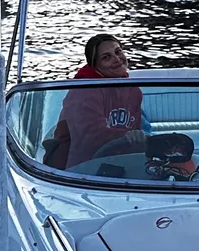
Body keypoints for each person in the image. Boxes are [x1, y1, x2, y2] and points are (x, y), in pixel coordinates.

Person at [46, 34, 145, 168]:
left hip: (117, 161)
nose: (117, 59)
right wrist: (127, 136)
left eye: (118, 52)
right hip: (76, 167)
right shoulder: (83, 91)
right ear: (95, 65)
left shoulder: (134, 91)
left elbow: (136, 131)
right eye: (106, 57)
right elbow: (90, 137)